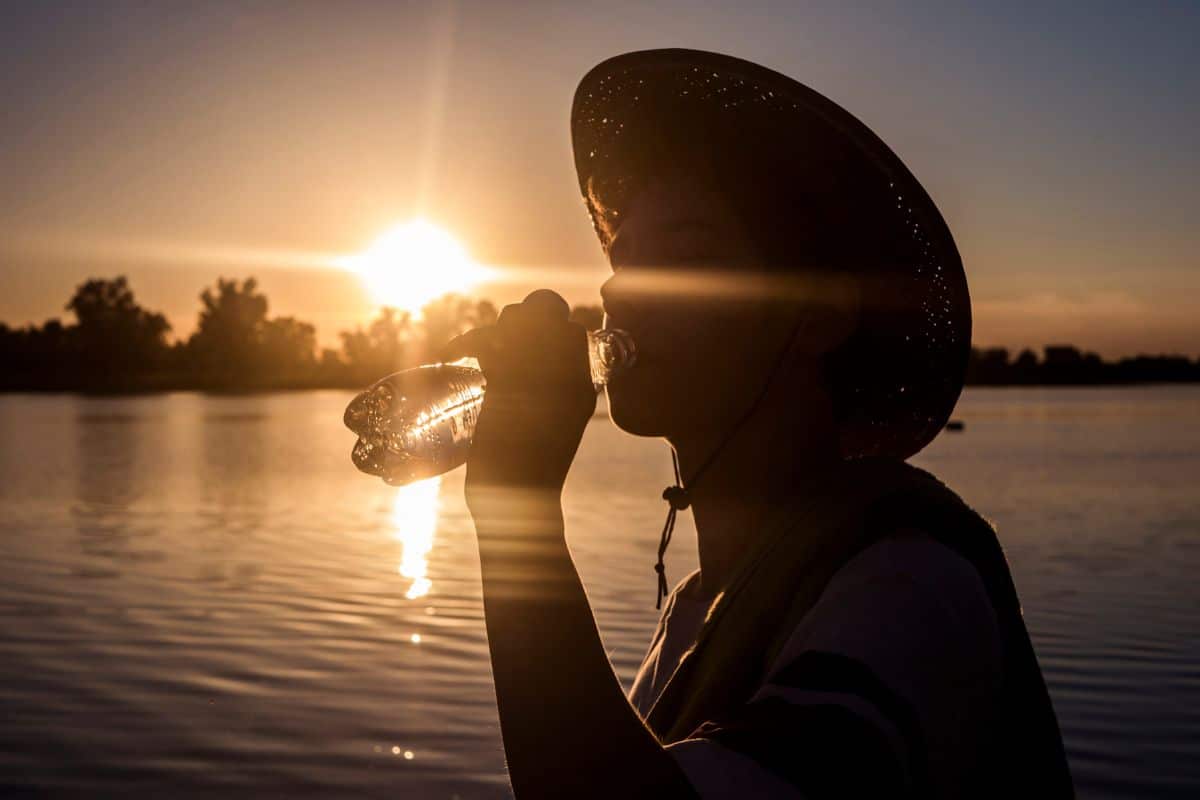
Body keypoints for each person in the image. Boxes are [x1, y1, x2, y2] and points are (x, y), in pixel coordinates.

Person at [442, 48, 1072, 799]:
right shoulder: (702, 608)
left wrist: (522, 514)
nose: (619, 289)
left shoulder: (912, 581)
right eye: (623, 254)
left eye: (686, 254)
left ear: (819, 314)